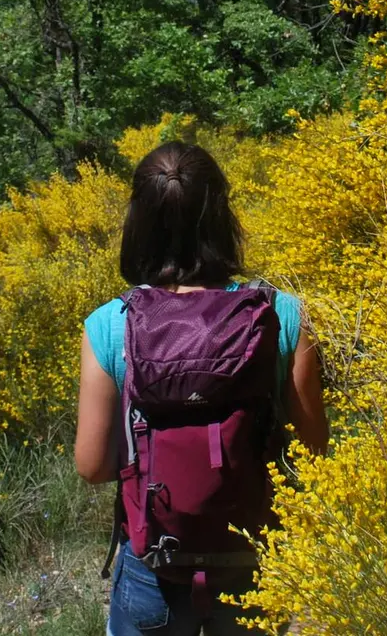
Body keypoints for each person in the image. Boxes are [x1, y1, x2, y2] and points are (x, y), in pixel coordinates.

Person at [75, 141, 328, 636]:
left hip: (155, 568)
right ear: (222, 214)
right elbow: (314, 450)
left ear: (138, 221)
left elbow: (93, 466)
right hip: (254, 560)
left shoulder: (111, 324)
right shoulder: (283, 315)